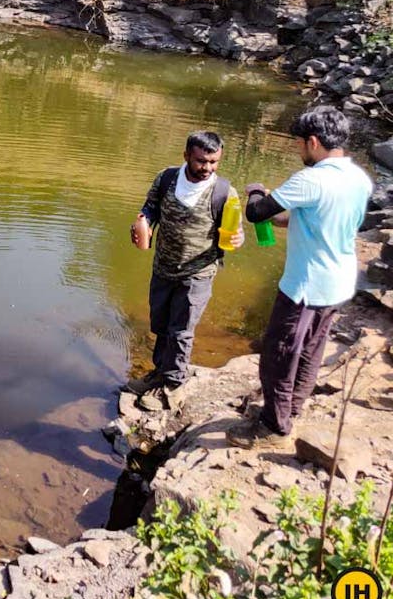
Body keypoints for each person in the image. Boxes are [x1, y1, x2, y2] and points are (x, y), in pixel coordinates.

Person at [227, 106, 373, 450]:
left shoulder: (312, 179)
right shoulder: (358, 178)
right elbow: (319, 218)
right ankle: (291, 408)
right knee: (310, 351)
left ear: (313, 142)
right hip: (339, 282)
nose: (298, 150)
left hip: (305, 286)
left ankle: (273, 427)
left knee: (278, 356)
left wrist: (256, 190)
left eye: (299, 144)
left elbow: (256, 211)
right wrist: (284, 219)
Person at [125, 132, 245, 412]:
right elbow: (151, 206)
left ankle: (173, 385)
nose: (208, 168)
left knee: (181, 330)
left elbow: (235, 231)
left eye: (214, 162)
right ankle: (158, 372)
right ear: (186, 156)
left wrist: (238, 238)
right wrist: (144, 221)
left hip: (198, 273)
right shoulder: (167, 178)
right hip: (163, 266)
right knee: (160, 322)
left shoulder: (224, 192)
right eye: (201, 161)